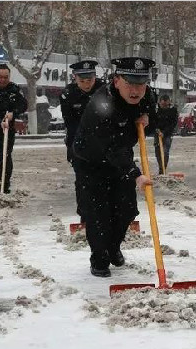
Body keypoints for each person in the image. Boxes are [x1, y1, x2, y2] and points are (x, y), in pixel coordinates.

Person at [72, 57, 157, 277]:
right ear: (117, 80)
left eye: (141, 84)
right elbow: (111, 148)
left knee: (127, 208)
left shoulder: (146, 94)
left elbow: (153, 109)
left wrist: (148, 116)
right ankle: (99, 259)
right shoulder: (101, 105)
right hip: (91, 161)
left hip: (120, 158)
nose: (136, 90)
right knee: (98, 213)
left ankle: (113, 248)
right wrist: (136, 175)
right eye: (130, 83)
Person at [60, 60, 105, 223]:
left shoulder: (106, 91)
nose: (86, 84)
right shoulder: (68, 94)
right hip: (78, 144)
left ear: (95, 77)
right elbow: (71, 125)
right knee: (83, 182)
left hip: (104, 144)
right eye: (82, 81)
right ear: (75, 78)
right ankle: (86, 218)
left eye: (90, 80)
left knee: (106, 181)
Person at [0, 64, 28, 193]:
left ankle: (5, 184)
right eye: (0, 77)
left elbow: (23, 105)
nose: (3, 80)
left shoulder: (14, 90)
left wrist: (14, 113)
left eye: (6, 77)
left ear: (9, 76)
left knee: (5, 158)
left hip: (8, 130)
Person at [154, 94, 178, 174]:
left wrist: (164, 133)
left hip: (167, 134)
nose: (164, 106)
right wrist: (157, 129)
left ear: (169, 103)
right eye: (162, 105)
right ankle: (161, 168)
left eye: (166, 105)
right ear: (160, 102)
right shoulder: (156, 110)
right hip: (157, 133)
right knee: (158, 152)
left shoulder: (173, 110)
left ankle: (163, 170)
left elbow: (173, 124)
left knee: (165, 151)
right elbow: (153, 121)